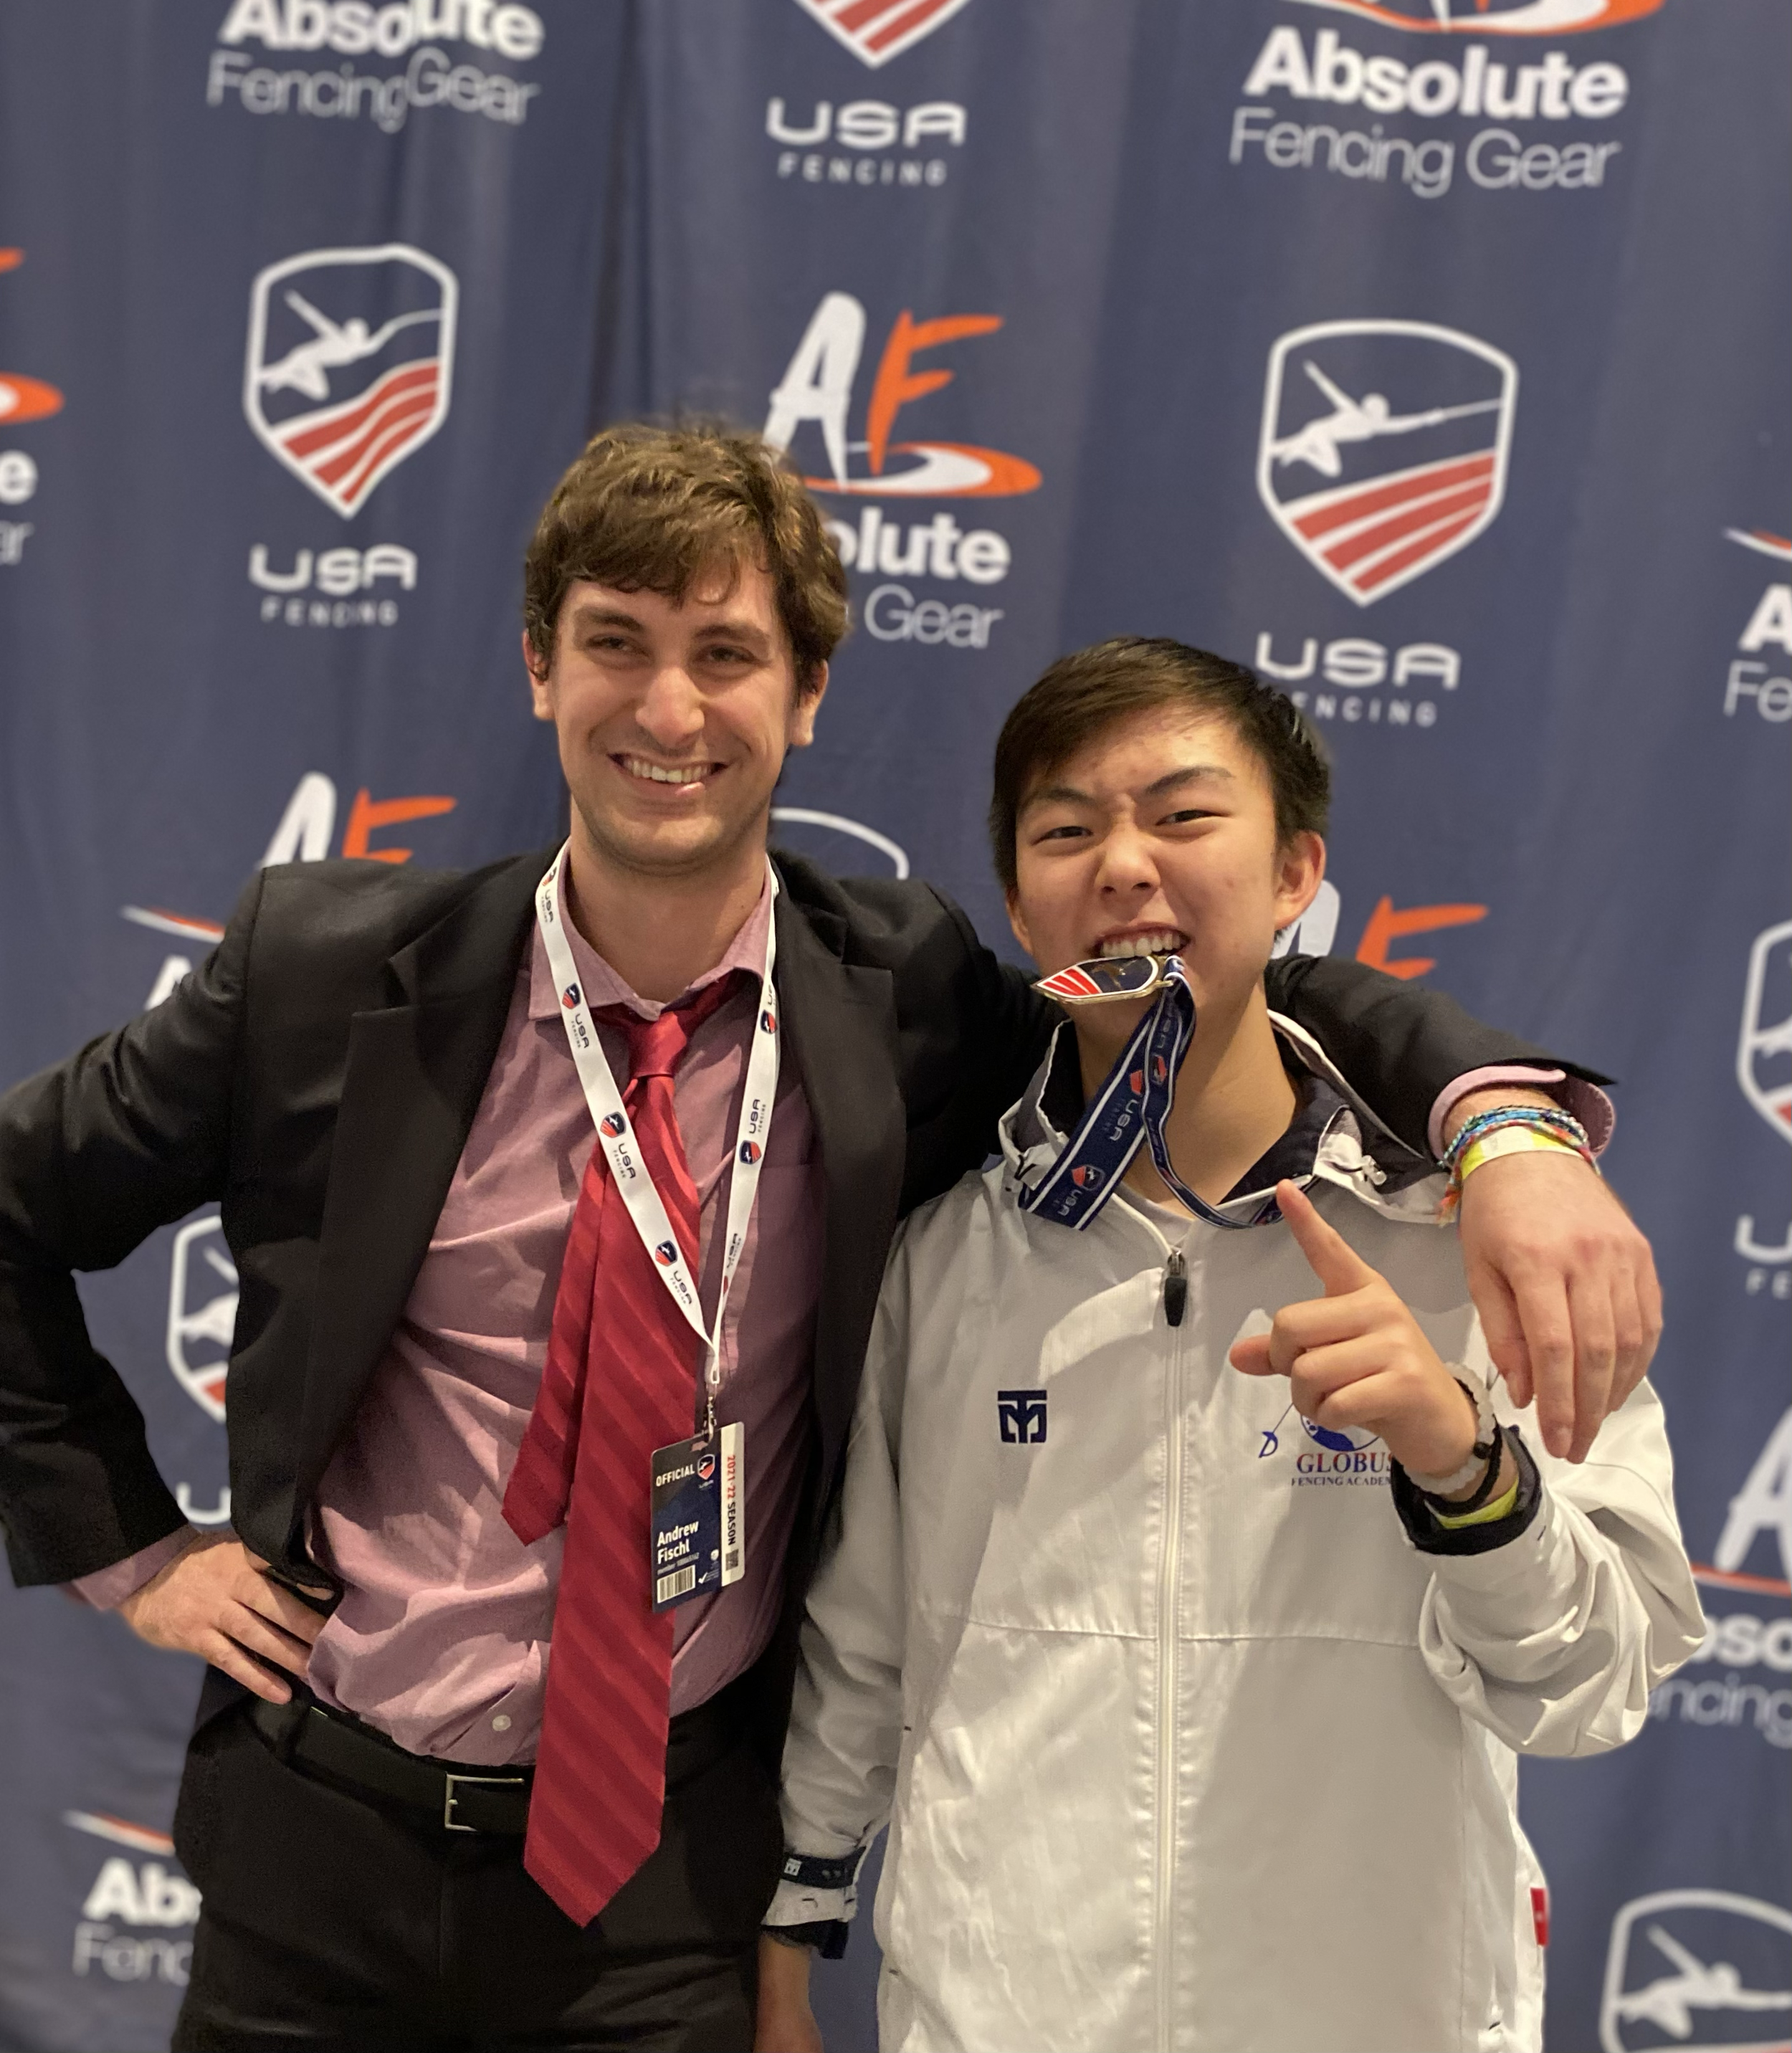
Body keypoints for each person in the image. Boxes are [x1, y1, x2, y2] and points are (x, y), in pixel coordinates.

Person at [0, 428, 1657, 2053]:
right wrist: (134, 1549)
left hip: (656, 1889)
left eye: (725, 653)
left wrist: (1496, 1124)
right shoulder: (319, 979)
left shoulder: (902, 1002)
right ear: (537, 670)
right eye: (615, 647)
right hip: (320, 1850)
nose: (667, 709)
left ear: (801, 698)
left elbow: (1205, 986)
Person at [753, 640, 1701, 2053]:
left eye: (1184, 817)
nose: (1124, 864)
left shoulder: (1472, 1245)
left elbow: (1594, 1683)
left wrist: (1464, 1473)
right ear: (1018, 901)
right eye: (1066, 830)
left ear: (1292, 872)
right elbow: (863, 1645)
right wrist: (788, 1940)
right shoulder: (948, 1254)